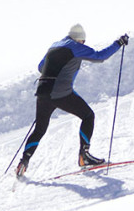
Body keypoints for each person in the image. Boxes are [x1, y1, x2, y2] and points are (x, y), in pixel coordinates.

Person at [16, 24, 128, 177]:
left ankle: (24, 161)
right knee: (88, 116)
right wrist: (118, 44)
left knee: (39, 129)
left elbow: (41, 67)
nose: (83, 44)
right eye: (83, 41)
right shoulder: (76, 46)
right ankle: (84, 157)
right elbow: (100, 56)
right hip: (61, 92)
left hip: (43, 92)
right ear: (80, 39)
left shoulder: (55, 45)